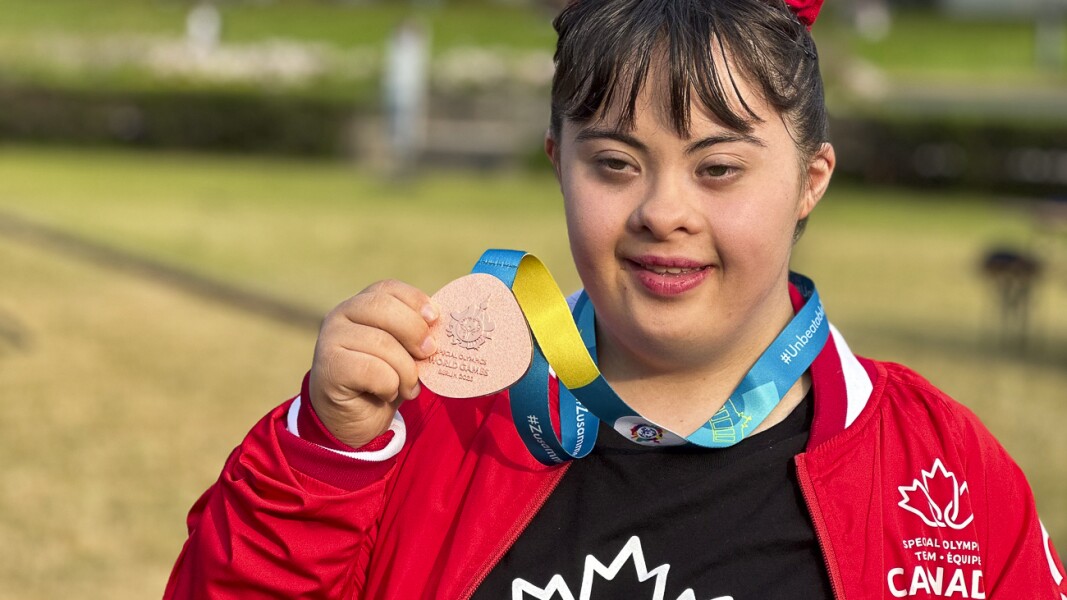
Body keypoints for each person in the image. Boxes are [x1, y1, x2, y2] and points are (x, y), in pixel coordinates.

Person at [164, 0, 1067, 598]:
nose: (662, 212)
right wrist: (322, 458)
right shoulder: (426, 426)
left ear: (810, 180)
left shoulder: (941, 471)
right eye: (614, 164)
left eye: (718, 168)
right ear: (558, 163)